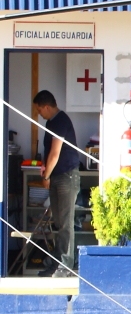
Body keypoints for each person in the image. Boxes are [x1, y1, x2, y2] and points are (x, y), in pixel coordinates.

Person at [34, 90, 80, 277]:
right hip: (56, 176)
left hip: (66, 176)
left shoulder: (61, 121)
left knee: (66, 223)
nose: (39, 114)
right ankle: (56, 263)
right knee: (58, 222)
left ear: (46, 106)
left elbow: (55, 152)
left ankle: (66, 265)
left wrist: (46, 177)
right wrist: (46, 172)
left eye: (39, 110)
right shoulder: (50, 123)